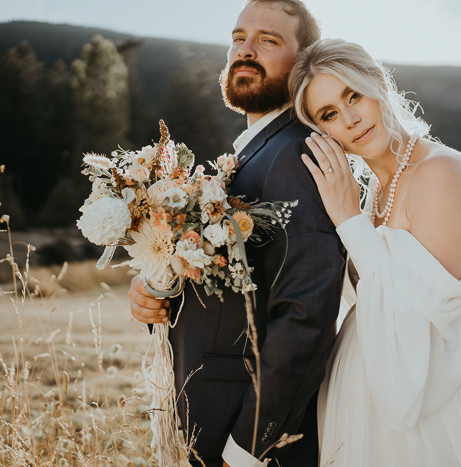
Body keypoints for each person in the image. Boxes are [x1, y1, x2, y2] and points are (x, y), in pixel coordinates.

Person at [289, 38, 461, 466]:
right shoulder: (370, 195)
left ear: (378, 83)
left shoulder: (442, 171)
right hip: (367, 394)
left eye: (353, 96)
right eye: (329, 114)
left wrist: (349, 222)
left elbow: (425, 315)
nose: (349, 119)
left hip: (442, 395)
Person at [128, 2, 345, 467]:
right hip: (210, 410)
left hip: (245, 438)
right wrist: (160, 288)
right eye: (238, 37)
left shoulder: (294, 156)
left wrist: (249, 447)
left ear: (305, 61)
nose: (245, 51)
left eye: (268, 40)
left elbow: (305, 315)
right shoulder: (250, 157)